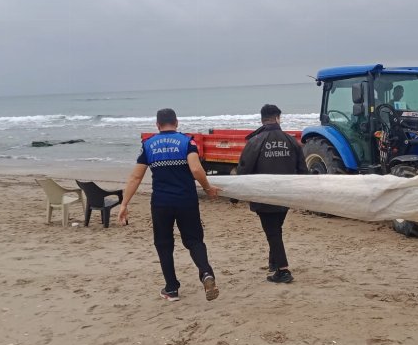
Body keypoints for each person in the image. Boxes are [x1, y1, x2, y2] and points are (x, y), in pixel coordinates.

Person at [118, 108, 222, 302]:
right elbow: (196, 169)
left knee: (164, 244)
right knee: (194, 241)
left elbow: (136, 177)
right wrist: (207, 187)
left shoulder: (148, 145)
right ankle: (206, 273)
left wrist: (124, 203)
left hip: (161, 202)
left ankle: (171, 288)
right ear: (177, 122)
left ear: (157, 125)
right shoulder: (186, 141)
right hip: (186, 200)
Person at [236, 104, 308, 284]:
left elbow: (244, 169)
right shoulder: (291, 141)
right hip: (285, 195)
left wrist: (234, 194)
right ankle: (274, 263)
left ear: (262, 119)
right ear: (278, 118)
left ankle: (283, 271)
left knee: (272, 232)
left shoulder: (254, 141)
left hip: (263, 195)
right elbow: (303, 170)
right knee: (276, 228)